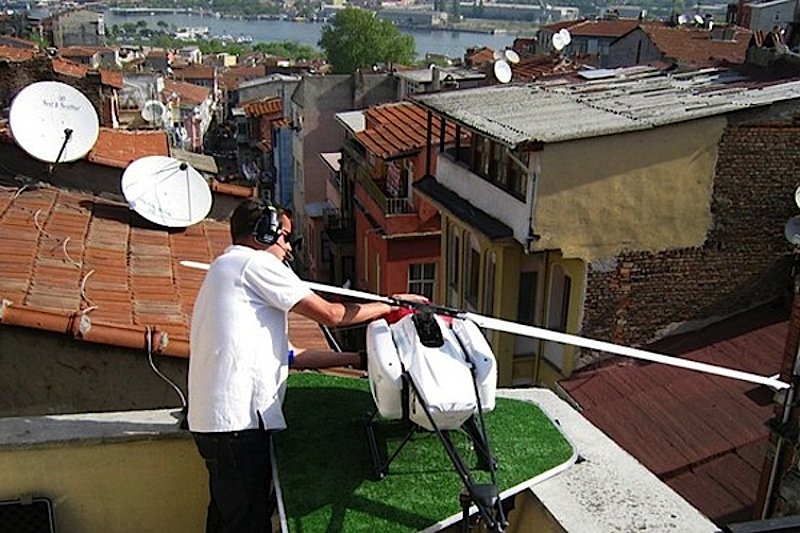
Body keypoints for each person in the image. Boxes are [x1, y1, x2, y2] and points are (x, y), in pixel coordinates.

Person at [187, 198, 406, 533]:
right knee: (248, 524)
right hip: (236, 426)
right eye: (285, 237)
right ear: (264, 234)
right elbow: (332, 315)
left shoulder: (227, 268)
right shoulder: (254, 265)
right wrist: (391, 306)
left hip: (219, 426)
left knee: (226, 518)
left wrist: (358, 359)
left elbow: (291, 356)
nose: (288, 248)